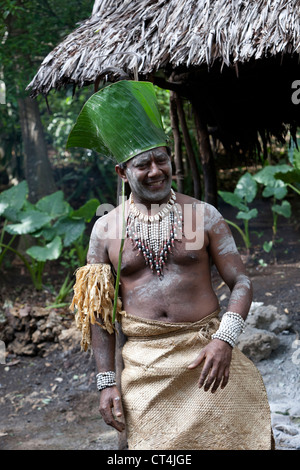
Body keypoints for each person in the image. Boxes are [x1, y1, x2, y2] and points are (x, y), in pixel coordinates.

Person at [69, 80, 273, 450]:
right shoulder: (104, 230)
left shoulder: (204, 215)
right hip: (145, 370)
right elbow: (98, 316)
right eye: (142, 164)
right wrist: (106, 383)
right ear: (122, 173)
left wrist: (224, 340)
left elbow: (240, 280)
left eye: (162, 159)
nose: (155, 171)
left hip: (209, 359)